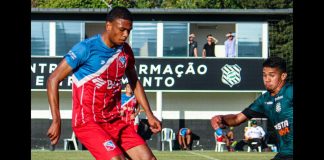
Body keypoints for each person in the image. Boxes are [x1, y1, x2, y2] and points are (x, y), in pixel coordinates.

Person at [46, 6, 162, 160]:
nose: (125, 35)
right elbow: (53, 79)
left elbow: (134, 81)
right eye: (122, 29)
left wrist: (149, 114)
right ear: (108, 26)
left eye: (129, 30)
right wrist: (56, 120)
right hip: (87, 122)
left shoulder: (125, 51)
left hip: (114, 121)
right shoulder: (86, 48)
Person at [210, 56, 293, 160]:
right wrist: (221, 118)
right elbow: (237, 119)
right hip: (284, 154)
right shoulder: (264, 100)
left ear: (283, 76)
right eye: (264, 75)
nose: (267, 79)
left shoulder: (289, 92)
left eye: (272, 75)